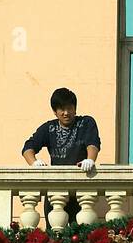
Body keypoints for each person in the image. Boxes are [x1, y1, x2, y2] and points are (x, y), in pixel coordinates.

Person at [21, 87, 101, 223]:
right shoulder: (49, 128)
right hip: (55, 193)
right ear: (54, 111)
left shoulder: (86, 123)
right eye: (61, 109)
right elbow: (28, 147)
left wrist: (90, 160)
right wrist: (34, 162)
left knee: (81, 234)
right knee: (54, 236)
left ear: (75, 109)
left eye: (69, 108)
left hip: (80, 190)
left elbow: (93, 143)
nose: (66, 113)